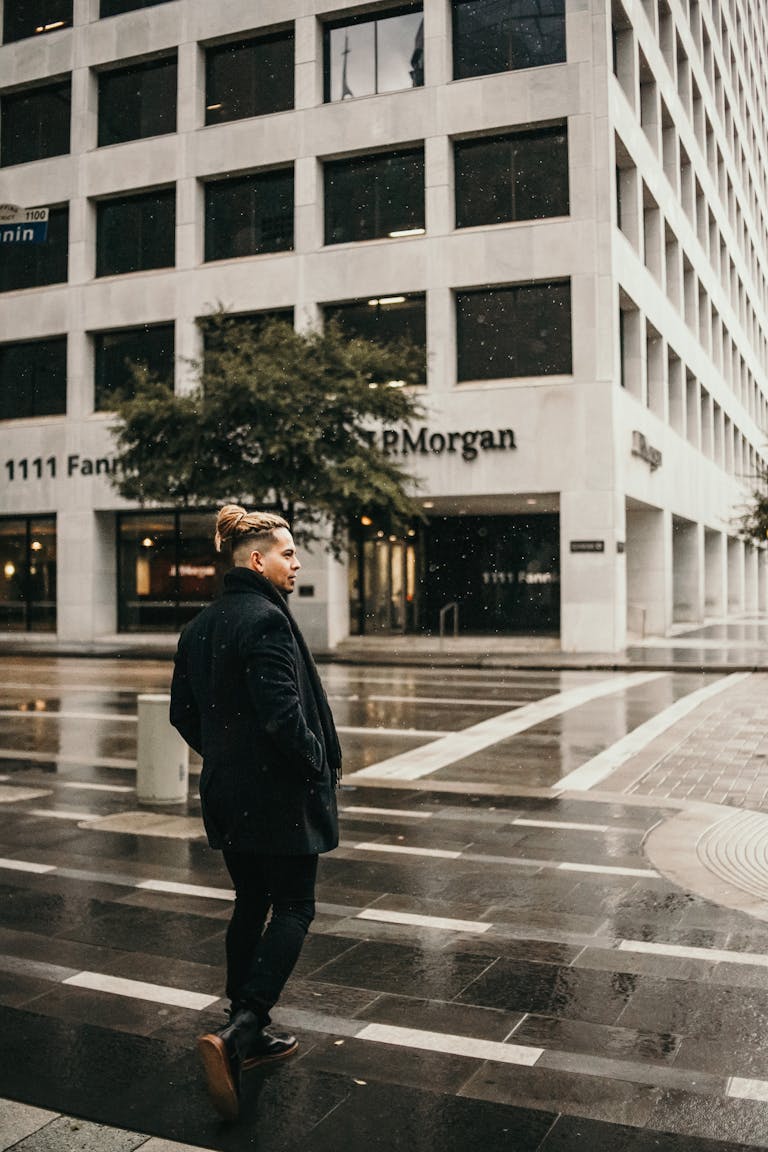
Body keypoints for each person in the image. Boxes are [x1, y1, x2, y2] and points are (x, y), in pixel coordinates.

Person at [170, 504, 341, 1121]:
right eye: (289, 553)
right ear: (257, 559)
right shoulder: (267, 621)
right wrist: (315, 763)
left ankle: (244, 1018)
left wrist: (227, 757)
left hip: (229, 793)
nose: (297, 562)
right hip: (279, 795)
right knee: (295, 906)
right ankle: (243, 1028)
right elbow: (283, 714)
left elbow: (182, 714)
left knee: (250, 901)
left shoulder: (200, 626)